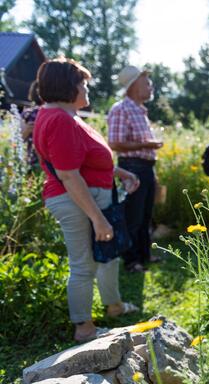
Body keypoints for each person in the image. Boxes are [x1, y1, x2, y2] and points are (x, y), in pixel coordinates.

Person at [32, 58, 140, 342]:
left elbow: (83, 162)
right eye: (82, 83)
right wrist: (98, 218)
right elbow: (69, 175)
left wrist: (119, 171)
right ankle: (84, 328)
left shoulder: (66, 116)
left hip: (86, 195)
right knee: (84, 265)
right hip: (76, 200)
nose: (86, 88)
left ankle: (114, 306)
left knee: (107, 258)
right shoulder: (60, 120)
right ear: (67, 86)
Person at [107, 66, 163, 273]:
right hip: (132, 168)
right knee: (133, 215)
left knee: (146, 214)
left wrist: (148, 147)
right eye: (146, 82)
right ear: (133, 85)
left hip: (146, 167)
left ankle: (144, 255)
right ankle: (131, 260)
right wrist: (147, 146)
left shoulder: (140, 110)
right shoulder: (121, 109)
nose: (150, 86)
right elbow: (115, 143)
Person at [20, 81, 43, 171]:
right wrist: (29, 130)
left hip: (32, 159)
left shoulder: (27, 113)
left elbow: (20, 138)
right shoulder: (28, 113)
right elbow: (19, 138)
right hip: (35, 160)